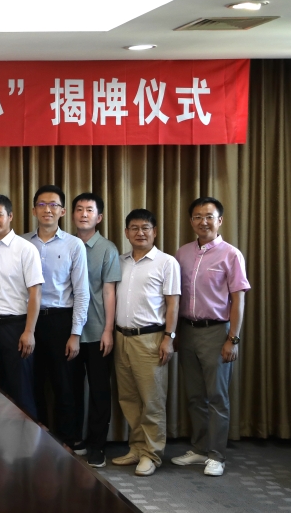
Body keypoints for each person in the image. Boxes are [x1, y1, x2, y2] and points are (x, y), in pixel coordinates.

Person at [171, 197, 249, 477]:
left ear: (220, 220)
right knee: (195, 396)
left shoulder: (231, 255)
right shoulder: (182, 253)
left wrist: (233, 339)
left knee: (217, 397)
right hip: (187, 331)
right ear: (191, 221)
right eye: (197, 216)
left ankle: (217, 455)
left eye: (209, 216)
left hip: (217, 332)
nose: (203, 222)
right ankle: (200, 448)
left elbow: (238, 300)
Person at [111, 208, 180, 477]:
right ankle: (137, 448)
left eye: (145, 228)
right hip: (121, 337)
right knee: (129, 398)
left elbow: (173, 304)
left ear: (155, 232)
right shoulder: (120, 261)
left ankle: (152, 454)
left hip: (151, 338)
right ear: (126, 232)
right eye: (134, 228)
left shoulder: (166, 262)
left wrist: (168, 338)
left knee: (152, 400)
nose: (140, 233)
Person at [24, 185, 89, 453]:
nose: (47, 209)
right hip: (28, 321)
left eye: (53, 205)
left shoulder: (74, 245)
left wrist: (75, 334)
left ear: (62, 211)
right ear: (33, 210)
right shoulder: (23, 243)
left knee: (65, 384)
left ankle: (67, 441)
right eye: (41, 204)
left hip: (60, 320)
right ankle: (36, 439)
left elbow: (82, 292)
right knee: (32, 382)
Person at [0, 194, 43, 418]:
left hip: (15, 328)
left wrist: (29, 331)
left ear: (10, 216)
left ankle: (25, 439)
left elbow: (35, 292)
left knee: (20, 389)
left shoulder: (26, 249)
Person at [70, 193, 121, 468]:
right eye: (79, 209)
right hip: (70, 332)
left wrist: (108, 330)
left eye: (89, 210)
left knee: (100, 391)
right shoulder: (66, 244)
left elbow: (109, 291)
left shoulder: (107, 249)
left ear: (99, 217)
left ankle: (97, 445)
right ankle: (75, 439)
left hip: (98, 330)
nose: (83, 214)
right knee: (72, 388)